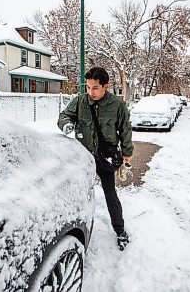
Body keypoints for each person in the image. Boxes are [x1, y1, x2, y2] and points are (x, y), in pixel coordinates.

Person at [58, 67, 134, 251]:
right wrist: (67, 124)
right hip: (83, 157)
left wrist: (127, 152)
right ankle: (71, 229)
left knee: (110, 195)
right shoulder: (80, 101)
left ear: (105, 86)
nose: (90, 92)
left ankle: (120, 230)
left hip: (105, 157)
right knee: (77, 192)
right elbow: (64, 115)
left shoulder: (117, 105)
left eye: (95, 88)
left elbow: (125, 129)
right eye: (88, 87)